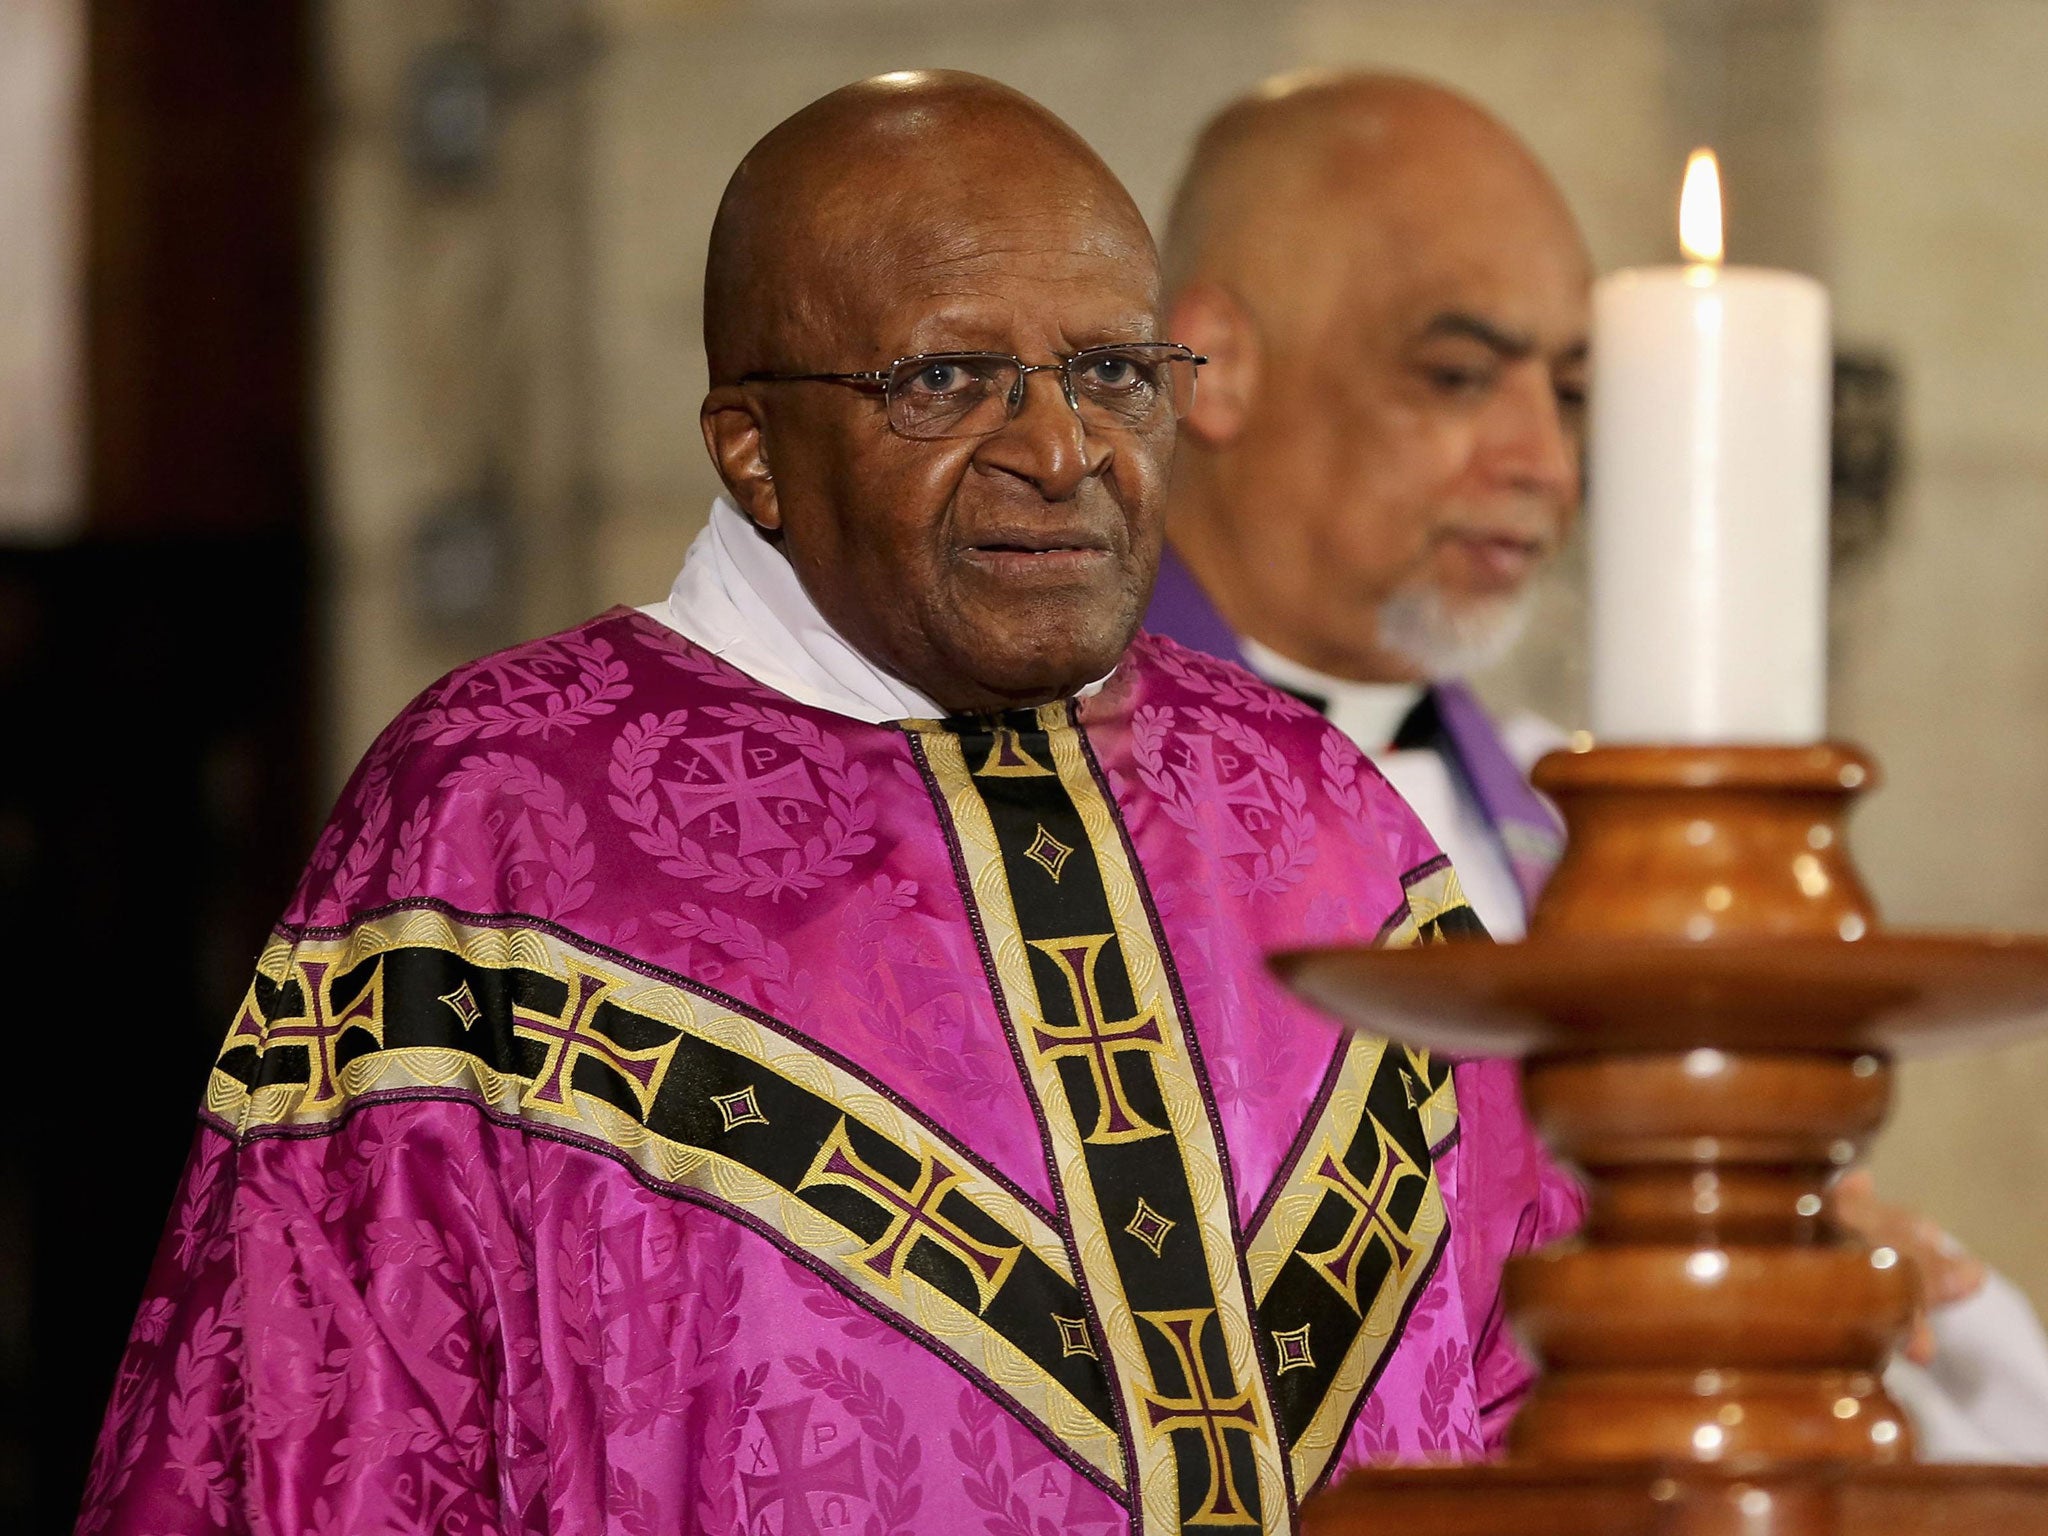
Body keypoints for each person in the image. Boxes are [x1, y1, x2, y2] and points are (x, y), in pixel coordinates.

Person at [76, 73, 1579, 1536]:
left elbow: (1545, 1395)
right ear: (751, 449)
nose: (1060, 452)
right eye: (944, 380)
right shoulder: (501, 828)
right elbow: (301, 1451)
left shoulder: (1319, 815)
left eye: (1113, 372)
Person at [1144, 68, 2048, 1462]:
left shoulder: (1566, 838)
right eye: (1455, 376)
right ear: (1214, 365)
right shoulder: (1030, 807)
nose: (1545, 464)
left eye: (1569, 395)